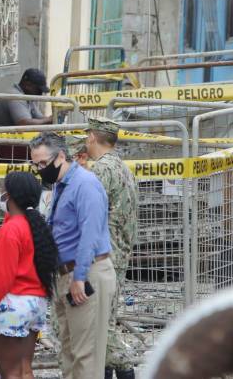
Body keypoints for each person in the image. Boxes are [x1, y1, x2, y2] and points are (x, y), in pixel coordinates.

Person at [29, 133, 116, 379]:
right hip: (65, 275)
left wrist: (79, 277)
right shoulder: (61, 184)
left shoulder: (85, 184)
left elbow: (90, 233)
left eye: (43, 164)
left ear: (60, 157)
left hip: (85, 273)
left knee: (86, 356)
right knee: (68, 352)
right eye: (34, 165)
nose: (39, 170)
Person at [0, 171, 58, 379]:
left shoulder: (9, 231)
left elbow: (0, 281)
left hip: (12, 306)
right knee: (24, 370)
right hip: (35, 305)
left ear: (9, 195)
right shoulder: (36, 227)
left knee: (10, 373)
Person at [84, 117, 139, 379]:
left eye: (87, 136)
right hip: (119, 251)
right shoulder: (122, 167)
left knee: (100, 323)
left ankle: (125, 367)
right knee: (105, 318)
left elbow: (90, 214)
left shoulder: (102, 170)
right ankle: (106, 371)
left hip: (105, 254)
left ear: (93, 137)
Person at [0, 69, 51, 232]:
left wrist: (49, 121)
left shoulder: (30, 98)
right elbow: (24, 122)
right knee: (2, 186)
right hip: (2, 151)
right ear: (27, 84)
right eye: (38, 89)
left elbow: (39, 119)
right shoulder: (15, 96)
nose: (40, 94)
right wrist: (50, 120)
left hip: (17, 151)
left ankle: (39, 214)